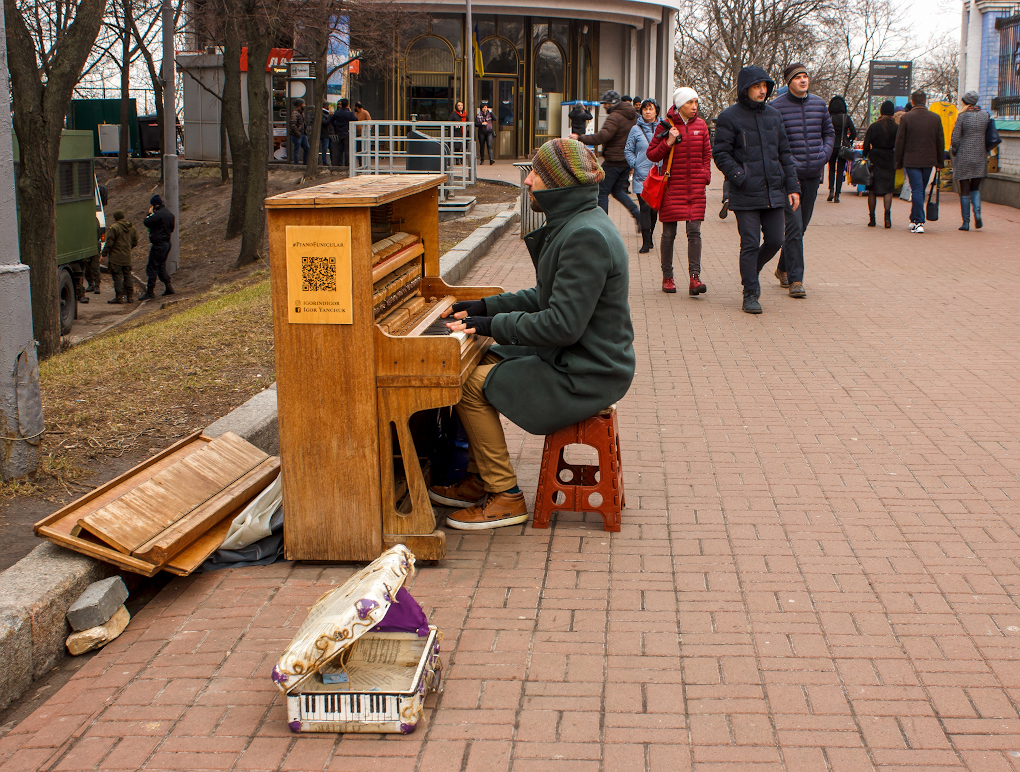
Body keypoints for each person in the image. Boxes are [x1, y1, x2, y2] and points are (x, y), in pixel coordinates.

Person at [428, 138, 635, 530]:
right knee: (481, 361)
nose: (528, 182)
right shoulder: (578, 223)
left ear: (558, 183)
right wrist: (485, 307)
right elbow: (544, 297)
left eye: (536, 174)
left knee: (469, 383)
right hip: (578, 358)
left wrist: (487, 326)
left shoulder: (584, 236)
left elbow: (560, 324)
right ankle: (480, 480)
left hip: (589, 373)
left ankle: (504, 496)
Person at [712, 66, 800, 315]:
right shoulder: (729, 117)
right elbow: (720, 153)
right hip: (745, 192)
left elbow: (784, 153)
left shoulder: (774, 116)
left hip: (774, 191)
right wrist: (740, 176)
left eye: (765, 86)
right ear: (745, 89)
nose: (762, 91)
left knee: (775, 240)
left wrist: (792, 187)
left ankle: (751, 270)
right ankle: (750, 291)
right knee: (750, 243)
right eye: (757, 86)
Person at [770, 63, 834, 298]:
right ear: (789, 82)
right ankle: (796, 280)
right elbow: (772, 142)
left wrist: (824, 155)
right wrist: (787, 165)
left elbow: (829, 133)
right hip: (789, 178)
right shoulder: (776, 107)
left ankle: (782, 268)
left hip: (813, 175)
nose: (803, 80)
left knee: (801, 226)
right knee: (794, 226)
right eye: (798, 77)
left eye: (805, 76)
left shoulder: (819, 104)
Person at [646, 88, 712, 295]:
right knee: (668, 234)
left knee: (694, 232)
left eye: (696, 102)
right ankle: (668, 277)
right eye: (689, 103)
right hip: (672, 187)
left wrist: (705, 176)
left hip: (695, 188)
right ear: (679, 105)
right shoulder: (665, 125)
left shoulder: (701, 126)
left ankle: (695, 278)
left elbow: (706, 154)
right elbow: (651, 154)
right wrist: (668, 142)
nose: (694, 107)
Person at [572, 90, 640, 224]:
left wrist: (580, 138)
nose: (604, 107)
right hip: (626, 160)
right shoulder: (633, 116)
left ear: (611, 104)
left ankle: (602, 224)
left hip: (614, 160)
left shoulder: (615, 116)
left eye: (605, 104)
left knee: (601, 191)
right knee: (617, 191)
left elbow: (603, 136)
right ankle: (637, 214)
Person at [894, 90, 945, 233]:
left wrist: (897, 162)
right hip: (929, 160)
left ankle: (918, 222)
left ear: (912, 102)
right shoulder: (935, 118)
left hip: (911, 160)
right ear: (926, 101)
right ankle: (914, 217)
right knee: (920, 188)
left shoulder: (906, 118)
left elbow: (900, 141)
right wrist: (940, 162)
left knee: (916, 189)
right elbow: (940, 141)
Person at [625, 98, 660, 254]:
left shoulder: (663, 128)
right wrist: (635, 164)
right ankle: (646, 242)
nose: (647, 111)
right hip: (641, 176)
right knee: (645, 208)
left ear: (656, 111)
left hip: (658, 176)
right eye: (645, 109)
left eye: (650, 108)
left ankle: (650, 235)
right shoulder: (635, 130)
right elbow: (628, 150)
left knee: (654, 210)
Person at [951, 90, 990, 231]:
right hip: (980, 155)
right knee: (975, 187)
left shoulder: (962, 117)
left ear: (965, 102)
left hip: (964, 155)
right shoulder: (985, 115)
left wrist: (954, 150)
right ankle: (978, 214)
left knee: (964, 189)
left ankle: (966, 222)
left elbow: (955, 138)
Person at [861, 100, 898, 228]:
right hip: (889, 158)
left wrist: (865, 156)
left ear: (881, 112)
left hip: (875, 158)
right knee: (888, 190)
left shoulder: (874, 126)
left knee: (872, 189)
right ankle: (887, 218)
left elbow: (866, 145)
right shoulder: (896, 127)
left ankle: (872, 219)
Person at [139, 195, 175, 300]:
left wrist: (149, 214)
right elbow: (171, 229)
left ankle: (150, 291)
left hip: (158, 244)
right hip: (167, 243)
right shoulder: (170, 214)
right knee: (161, 266)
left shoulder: (157, 215)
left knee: (152, 267)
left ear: (155, 205)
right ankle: (168, 287)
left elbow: (146, 222)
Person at [101, 211, 139, 305]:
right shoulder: (131, 227)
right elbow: (135, 241)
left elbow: (109, 243)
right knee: (128, 275)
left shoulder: (114, 228)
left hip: (116, 257)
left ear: (115, 218)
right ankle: (130, 296)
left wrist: (104, 254)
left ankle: (119, 297)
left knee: (117, 276)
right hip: (127, 256)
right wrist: (128, 248)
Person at [826, 96, 856, 202]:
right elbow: (854, 132)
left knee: (831, 169)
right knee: (840, 171)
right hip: (842, 147)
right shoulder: (846, 118)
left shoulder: (829, 118)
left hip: (831, 146)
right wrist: (848, 140)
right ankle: (837, 194)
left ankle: (830, 191)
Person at [330, 98, 357, 167]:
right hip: (347, 132)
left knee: (340, 149)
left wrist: (336, 127)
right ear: (347, 105)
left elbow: (331, 120)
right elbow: (355, 119)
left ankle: (339, 164)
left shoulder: (337, 113)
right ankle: (347, 164)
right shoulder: (349, 113)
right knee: (347, 149)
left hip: (339, 131)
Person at [289, 99, 309, 165]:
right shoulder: (295, 113)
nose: (304, 105)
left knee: (307, 148)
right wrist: (297, 133)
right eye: (303, 104)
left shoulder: (301, 113)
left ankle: (305, 163)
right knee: (297, 150)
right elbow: (293, 125)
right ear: (300, 105)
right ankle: (296, 164)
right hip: (297, 135)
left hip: (302, 134)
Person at [320, 101, 335, 167]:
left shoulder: (327, 114)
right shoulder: (322, 114)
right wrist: (330, 117)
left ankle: (332, 162)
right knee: (324, 149)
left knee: (331, 149)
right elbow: (324, 123)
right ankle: (324, 162)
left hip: (330, 134)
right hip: (325, 134)